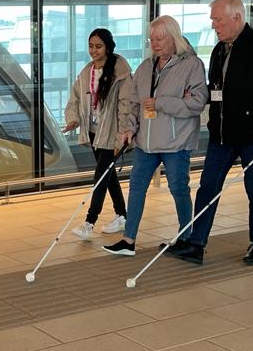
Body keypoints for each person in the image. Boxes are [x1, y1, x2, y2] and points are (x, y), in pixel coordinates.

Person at [168, 0, 253, 266]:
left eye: (218, 19)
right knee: (207, 188)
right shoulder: (219, 50)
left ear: (236, 17)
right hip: (222, 137)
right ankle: (196, 243)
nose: (213, 24)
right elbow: (216, 90)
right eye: (213, 19)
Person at [103, 16, 208, 257]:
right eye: (152, 39)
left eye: (160, 38)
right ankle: (128, 240)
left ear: (174, 38)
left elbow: (197, 103)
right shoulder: (145, 67)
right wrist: (129, 128)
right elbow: (133, 104)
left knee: (178, 188)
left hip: (176, 142)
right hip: (145, 142)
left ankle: (186, 237)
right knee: (136, 187)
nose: (155, 44)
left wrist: (161, 103)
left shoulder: (191, 65)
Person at [63, 27, 133, 240]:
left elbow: (126, 105)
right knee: (108, 175)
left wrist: (123, 134)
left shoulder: (120, 72)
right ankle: (122, 215)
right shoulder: (87, 72)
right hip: (93, 131)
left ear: (108, 47)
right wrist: (73, 119)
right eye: (91, 46)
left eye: (98, 46)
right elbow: (75, 98)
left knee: (101, 176)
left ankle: (89, 222)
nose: (94, 51)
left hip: (112, 134)